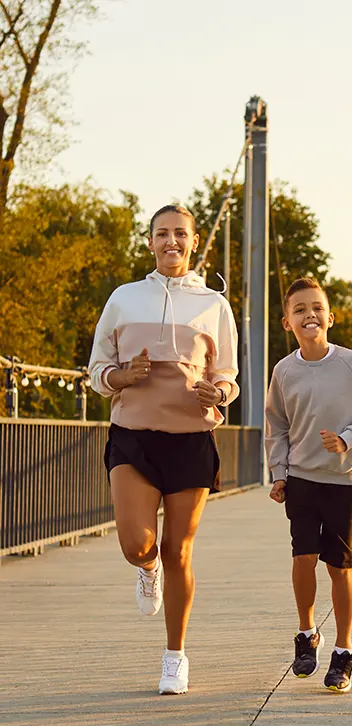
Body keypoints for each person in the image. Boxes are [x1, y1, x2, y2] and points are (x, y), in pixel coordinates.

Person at [89, 204, 238, 695]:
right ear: (149, 242)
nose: (171, 241)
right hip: (133, 433)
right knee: (138, 544)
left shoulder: (213, 304)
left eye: (179, 233)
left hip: (192, 439)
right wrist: (120, 377)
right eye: (161, 234)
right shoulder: (123, 298)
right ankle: (145, 570)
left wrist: (218, 394)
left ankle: (175, 656)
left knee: (180, 551)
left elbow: (229, 377)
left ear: (194, 241)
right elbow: (96, 370)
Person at [266, 277, 352, 694]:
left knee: (340, 567)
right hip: (300, 479)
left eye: (316, 308)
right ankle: (306, 633)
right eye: (299, 310)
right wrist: (278, 473)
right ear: (287, 323)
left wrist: (348, 438)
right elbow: (276, 427)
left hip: (343, 481)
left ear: (330, 317)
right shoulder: (283, 371)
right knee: (303, 558)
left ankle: (343, 651)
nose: (309, 315)